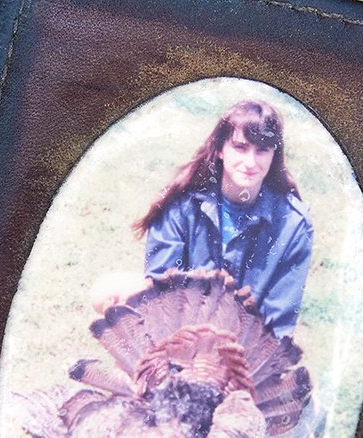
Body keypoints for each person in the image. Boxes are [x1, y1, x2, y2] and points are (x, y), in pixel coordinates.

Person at [124, 99, 313, 339]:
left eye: (262, 150)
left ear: (274, 154)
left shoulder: (294, 223)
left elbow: (278, 321)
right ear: (221, 149)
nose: (251, 163)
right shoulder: (181, 206)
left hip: (247, 353)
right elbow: (160, 295)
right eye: (241, 147)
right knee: (106, 291)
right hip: (179, 341)